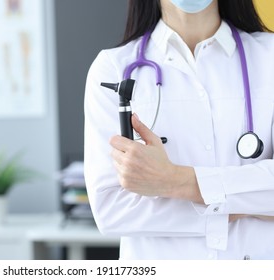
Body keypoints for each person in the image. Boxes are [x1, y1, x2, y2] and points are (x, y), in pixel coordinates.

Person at [84, 0, 274, 260]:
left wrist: (172, 180)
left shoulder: (269, 57)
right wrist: (247, 202)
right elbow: (112, 209)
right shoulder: (113, 69)